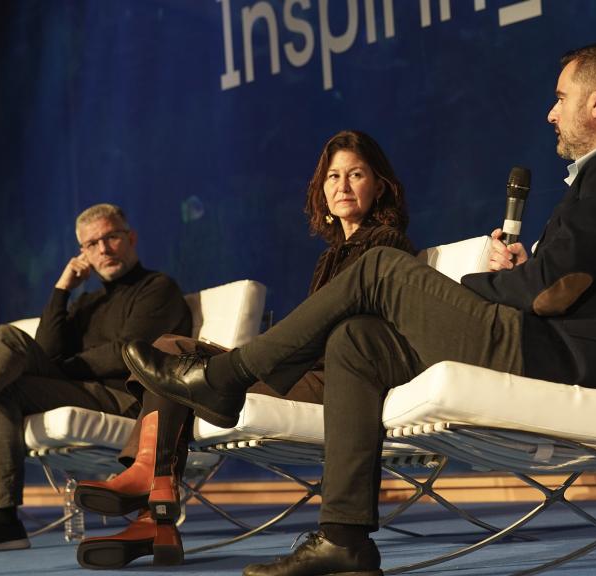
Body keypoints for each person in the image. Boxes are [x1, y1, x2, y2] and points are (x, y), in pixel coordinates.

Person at [129, 39, 596, 576]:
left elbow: (554, 290)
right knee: (357, 340)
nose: (552, 113)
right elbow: (562, 279)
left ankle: (225, 377)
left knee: (378, 269)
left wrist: (470, 288)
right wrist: (522, 275)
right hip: (542, 340)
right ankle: (345, 538)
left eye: (560, 97)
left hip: (562, 357)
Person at [71, 130, 415, 570]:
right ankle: (152, 491)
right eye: (332, 176)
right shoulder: (331, 256)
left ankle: (151, 502)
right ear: (321, 188)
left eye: (355, 174)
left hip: (335, 381)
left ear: (379, 184)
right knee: (167, 352)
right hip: (299, 370)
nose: (342, 187)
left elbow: (343, 337)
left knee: (176, 368)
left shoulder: (387, 244)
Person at [0, 204, 191, 555]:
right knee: (8, 387)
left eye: (111, 237)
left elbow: (130, 352)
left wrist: (62, 368)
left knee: (9, 337)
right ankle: (4, 518)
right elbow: (48, 349)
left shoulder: (157, 288)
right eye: (92, 244)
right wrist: (63, 289)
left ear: (130, 238)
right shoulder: (88, 302)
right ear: (83, 253)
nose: (104, 249)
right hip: (84, 389)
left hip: (129, 400)